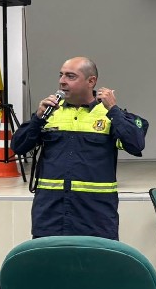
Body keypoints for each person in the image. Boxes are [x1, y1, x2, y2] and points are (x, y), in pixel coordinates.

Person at [12, 57, 147, 240]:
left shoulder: (109, 114)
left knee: (96, 259)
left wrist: (113, 109)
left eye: (70, 76)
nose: (62, 81)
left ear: (91, 81)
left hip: (95, 216)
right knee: (48, 258)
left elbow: (135, 144)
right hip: (50, 214)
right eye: (61, 75)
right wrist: (38, 118)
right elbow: (18, 147)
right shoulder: (49, 112)